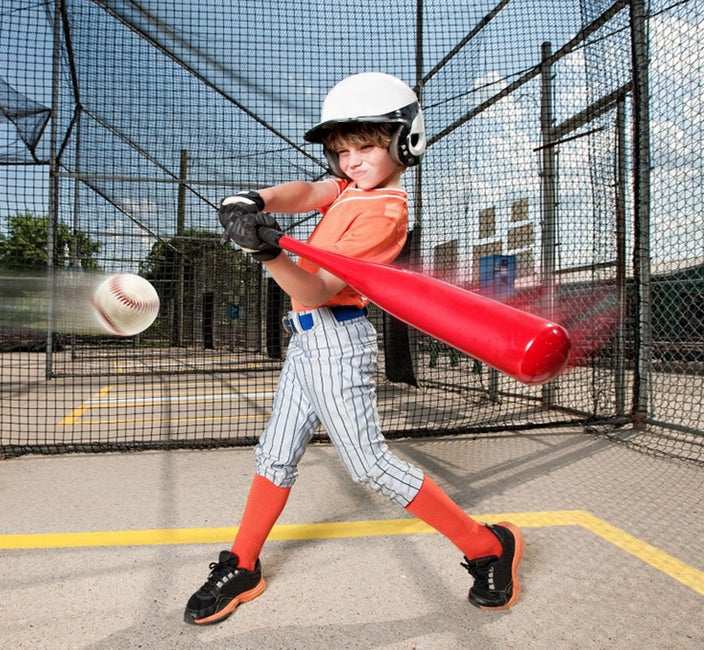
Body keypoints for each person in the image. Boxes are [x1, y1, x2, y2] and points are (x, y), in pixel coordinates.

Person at [183, 72, 524, 625]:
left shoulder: (385, 212)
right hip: (306, 344)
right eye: (343, 150)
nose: (353, 160)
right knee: (275, 452)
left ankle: (488, 547)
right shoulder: (347, 189)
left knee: (368, 464)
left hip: (338, 340)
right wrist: (257, 200)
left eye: (366, 145)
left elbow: (314, 289)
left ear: (402, 142)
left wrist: (269, 255)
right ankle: (243, 563)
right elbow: (312, 191)